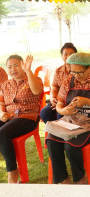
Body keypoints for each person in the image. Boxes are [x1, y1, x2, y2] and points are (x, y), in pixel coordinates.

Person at [46, 53, 90, 184]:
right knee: (51, 140)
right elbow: (59, 103)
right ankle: (63, 180)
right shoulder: (68, 81)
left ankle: (80, 179)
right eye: (72, 71)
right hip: (70, 122)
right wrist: (64, 110)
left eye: (80, 72)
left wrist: (87, 101)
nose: (75, 75)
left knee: (71, 145)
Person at [0, 55, 43, 183]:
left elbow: (37, 91)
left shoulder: (34, 79)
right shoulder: (5, 85)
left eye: (16, 65)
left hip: (27, 117)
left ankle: (12, 171)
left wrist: (29, 71)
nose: (12, 69)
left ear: (23, 65)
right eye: (9, 67)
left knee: (2, 133)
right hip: (10, 117)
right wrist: (2, 113)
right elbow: (1, 104)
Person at [40, 43, 77, 123]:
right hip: (59, 100)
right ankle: (54, 132)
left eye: (71, 54)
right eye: (65, 54)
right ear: (62, 56)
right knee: (45, 113)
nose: (68, 56)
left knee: (61, 114)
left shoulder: (79, 70)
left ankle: (62, 133)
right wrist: (53, 97)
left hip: (72, 102)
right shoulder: (58, 71)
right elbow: (54, 87)